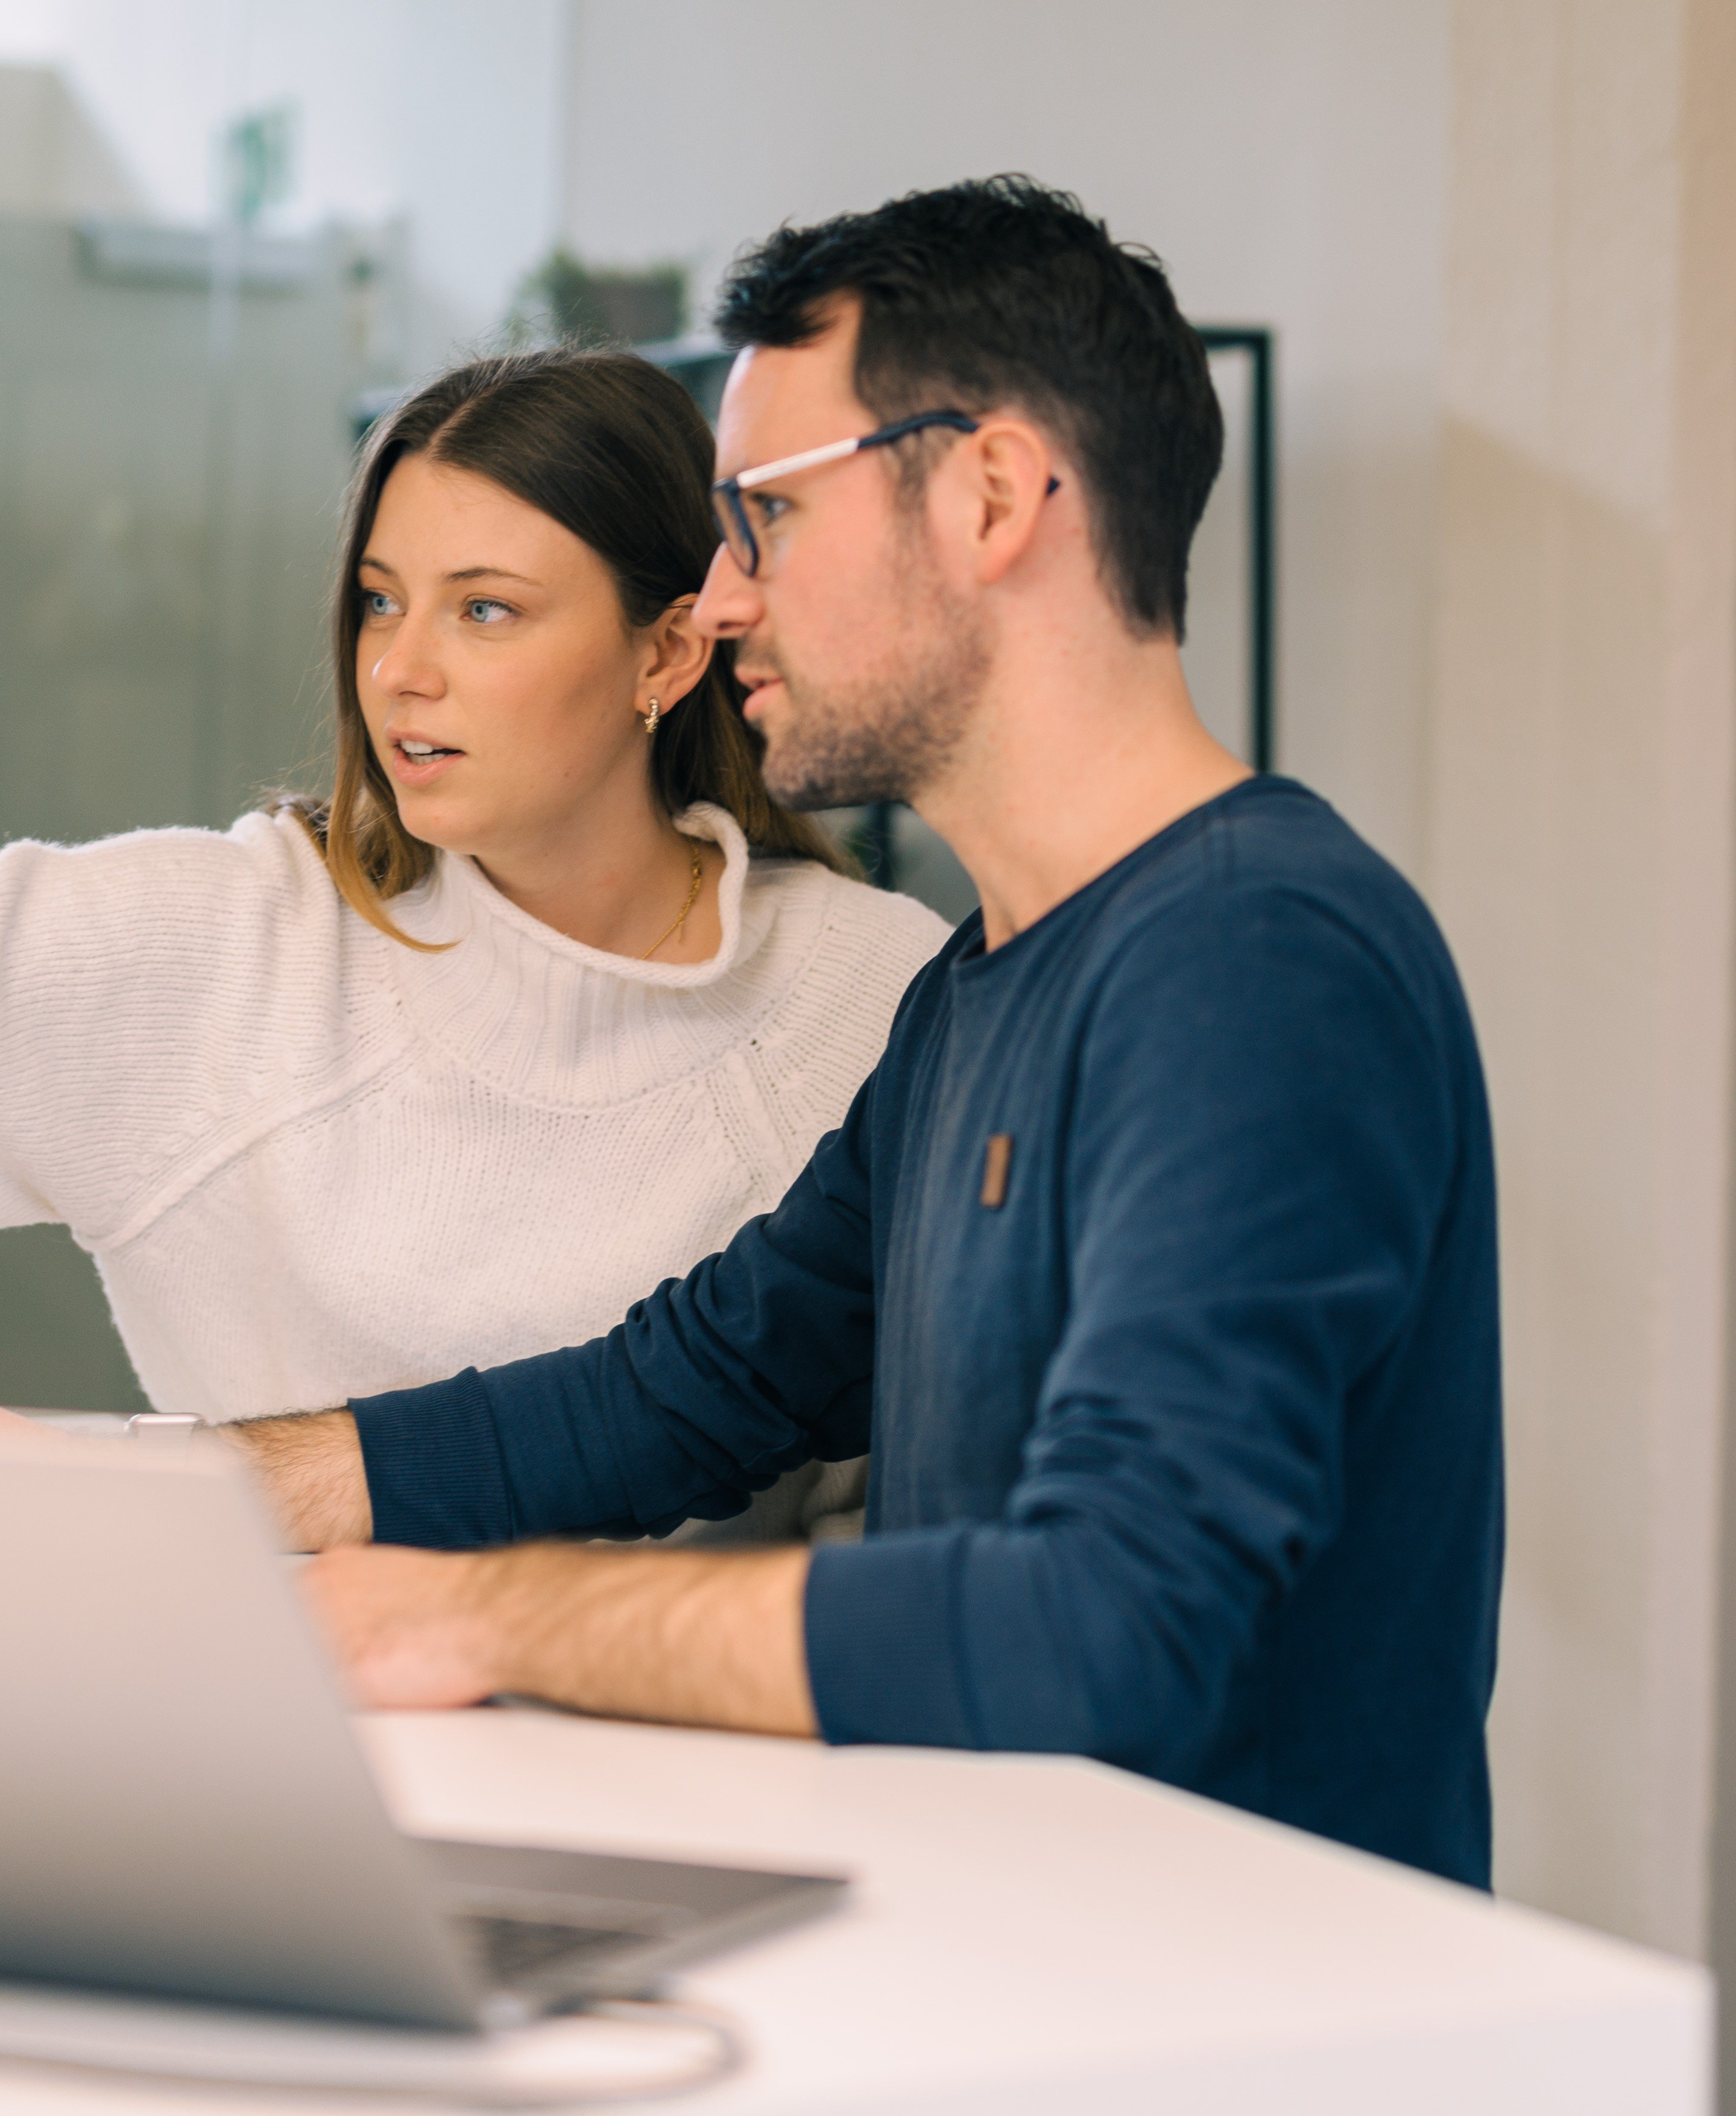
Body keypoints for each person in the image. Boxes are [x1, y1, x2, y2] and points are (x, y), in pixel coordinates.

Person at [209, 178, 1504, 1889]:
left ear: (986, 495)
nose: (725, 597)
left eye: (766, 517)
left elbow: (1100, 1623)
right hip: (1011, 1987)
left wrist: (469, 1617)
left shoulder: (1256, 960)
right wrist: (158, 1501)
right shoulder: (980, 986)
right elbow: (694, 1386)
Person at [0, 350, 948, 1520]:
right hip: (265, 1760)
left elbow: (923, 1520)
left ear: (668, 646)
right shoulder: (240, 946)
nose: (397, 671)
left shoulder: (864, 998)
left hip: (718, 1818)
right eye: (377, 602)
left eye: (484, 611)